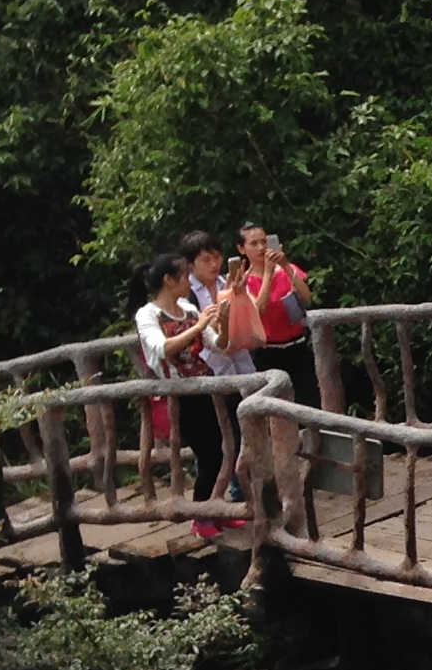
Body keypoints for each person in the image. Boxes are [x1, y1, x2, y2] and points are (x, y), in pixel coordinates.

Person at [131, 253, 229, 523]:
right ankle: (202, 515)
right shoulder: (147, 314)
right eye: (185, 275)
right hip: (179, 396)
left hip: (204, 389)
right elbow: (162, 348)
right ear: (168, 280)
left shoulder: (189, 307)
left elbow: (218, 345)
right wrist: (198, 325)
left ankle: (215, 509)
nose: (189, 280)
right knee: (209, 453)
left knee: (223, 449)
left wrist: (224, 322)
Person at [178, 230, 251, 511]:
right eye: (206, 259)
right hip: (210, 374)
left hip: (240, 367)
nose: (213, 264)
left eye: (217, 257)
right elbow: (205, 337)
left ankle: (238, 489)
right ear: (190, 264)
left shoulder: (225, 283)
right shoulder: (188, 299)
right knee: (216, 440)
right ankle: (215, 500)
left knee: (242, 429)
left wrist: (240, 293)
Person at [238, 223, 319, 407]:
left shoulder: (285, 269)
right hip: (268, 352)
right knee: (277, 409)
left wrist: (285, 266)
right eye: (254, 244)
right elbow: (258, 310)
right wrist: (267, 273)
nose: (261, 248)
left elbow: (307, 297)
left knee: (308, 401)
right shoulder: (244, 281)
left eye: (264, 242)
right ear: (242, 249)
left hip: (297, 346)